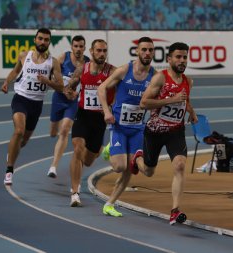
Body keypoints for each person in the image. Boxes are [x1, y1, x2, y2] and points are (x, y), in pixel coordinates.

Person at [130, 42, 198, 225]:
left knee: (180, 165)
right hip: (154, 132)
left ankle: (175, 210)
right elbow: (144, 103)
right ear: (169, 59)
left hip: (176, 131)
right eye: (178, 57)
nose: (182, 60)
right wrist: (170, 100)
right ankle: (137, 158)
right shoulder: (160, 78)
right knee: (148, 171)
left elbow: (184, 101)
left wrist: (191, 112)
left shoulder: (188, 81)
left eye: (185, 57)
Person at [98, 37, 156, 217]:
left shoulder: (155, 76)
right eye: (144, 50)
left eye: (150, 50)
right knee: (119, 167)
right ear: (137, 51)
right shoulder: (125, 70)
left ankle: (109, 204)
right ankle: (109, 149)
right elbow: (101, 88)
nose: (147, 53)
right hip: (119, 127)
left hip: (138, 128)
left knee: (131, 166)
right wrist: (106, 111)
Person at [1, 28, 64, 186]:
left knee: (23, 141)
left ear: (49, 42)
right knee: (19, 131)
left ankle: (12, 151)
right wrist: (6, 82)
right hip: (21, 99)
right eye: (40, 39)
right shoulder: (25, 55)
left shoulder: (53, 62)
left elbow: (61, 86)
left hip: (36, 104)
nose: (43, 42)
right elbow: (16, 71)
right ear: (35, 40)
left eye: (46, 40)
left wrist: (47, 81)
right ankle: (9, 170)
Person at [68, 39, 116, 207]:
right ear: (92, 51)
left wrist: (111, 106)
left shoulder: (112, 72)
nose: (102, 54)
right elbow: (70, 86)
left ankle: (102, 150)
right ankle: (75, 192)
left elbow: (123, 91)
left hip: (99, 120)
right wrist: (69, 92)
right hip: (83, 116)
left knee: (88, 161)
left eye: (105, 50)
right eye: (99, 51)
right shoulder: (82, 69)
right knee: (77, 148)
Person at [47, 35, 90, 178]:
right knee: (53, 132)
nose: (78, 49)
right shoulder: (63, 58)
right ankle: (54, 130)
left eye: (81, 47)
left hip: (73, 101)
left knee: (64, 130)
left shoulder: (88, 63)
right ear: (72, 47)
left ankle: (53, 166)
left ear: (84, 48)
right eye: (76, 46)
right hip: (59, 98)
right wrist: (62, 89)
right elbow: (53, 76)